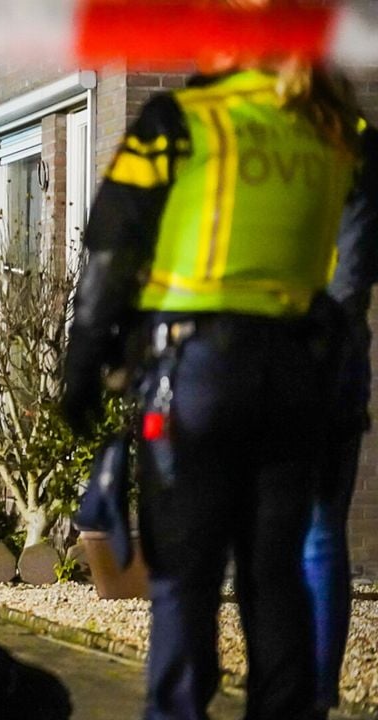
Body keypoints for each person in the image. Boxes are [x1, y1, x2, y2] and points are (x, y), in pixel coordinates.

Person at [59, 53, 366, 720]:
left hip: (197, 374)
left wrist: (83, 363)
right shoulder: (335, 129)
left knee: (184, 574)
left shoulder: (183, 120)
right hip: (297, 375)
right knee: (275, 574)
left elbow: (110, 246)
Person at [304, 104, 378, 710]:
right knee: (312, 533)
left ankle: (308, 692)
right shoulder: (355, 142)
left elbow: (352, 276)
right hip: (318, 355)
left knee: (315, 530)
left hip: (314, 363)